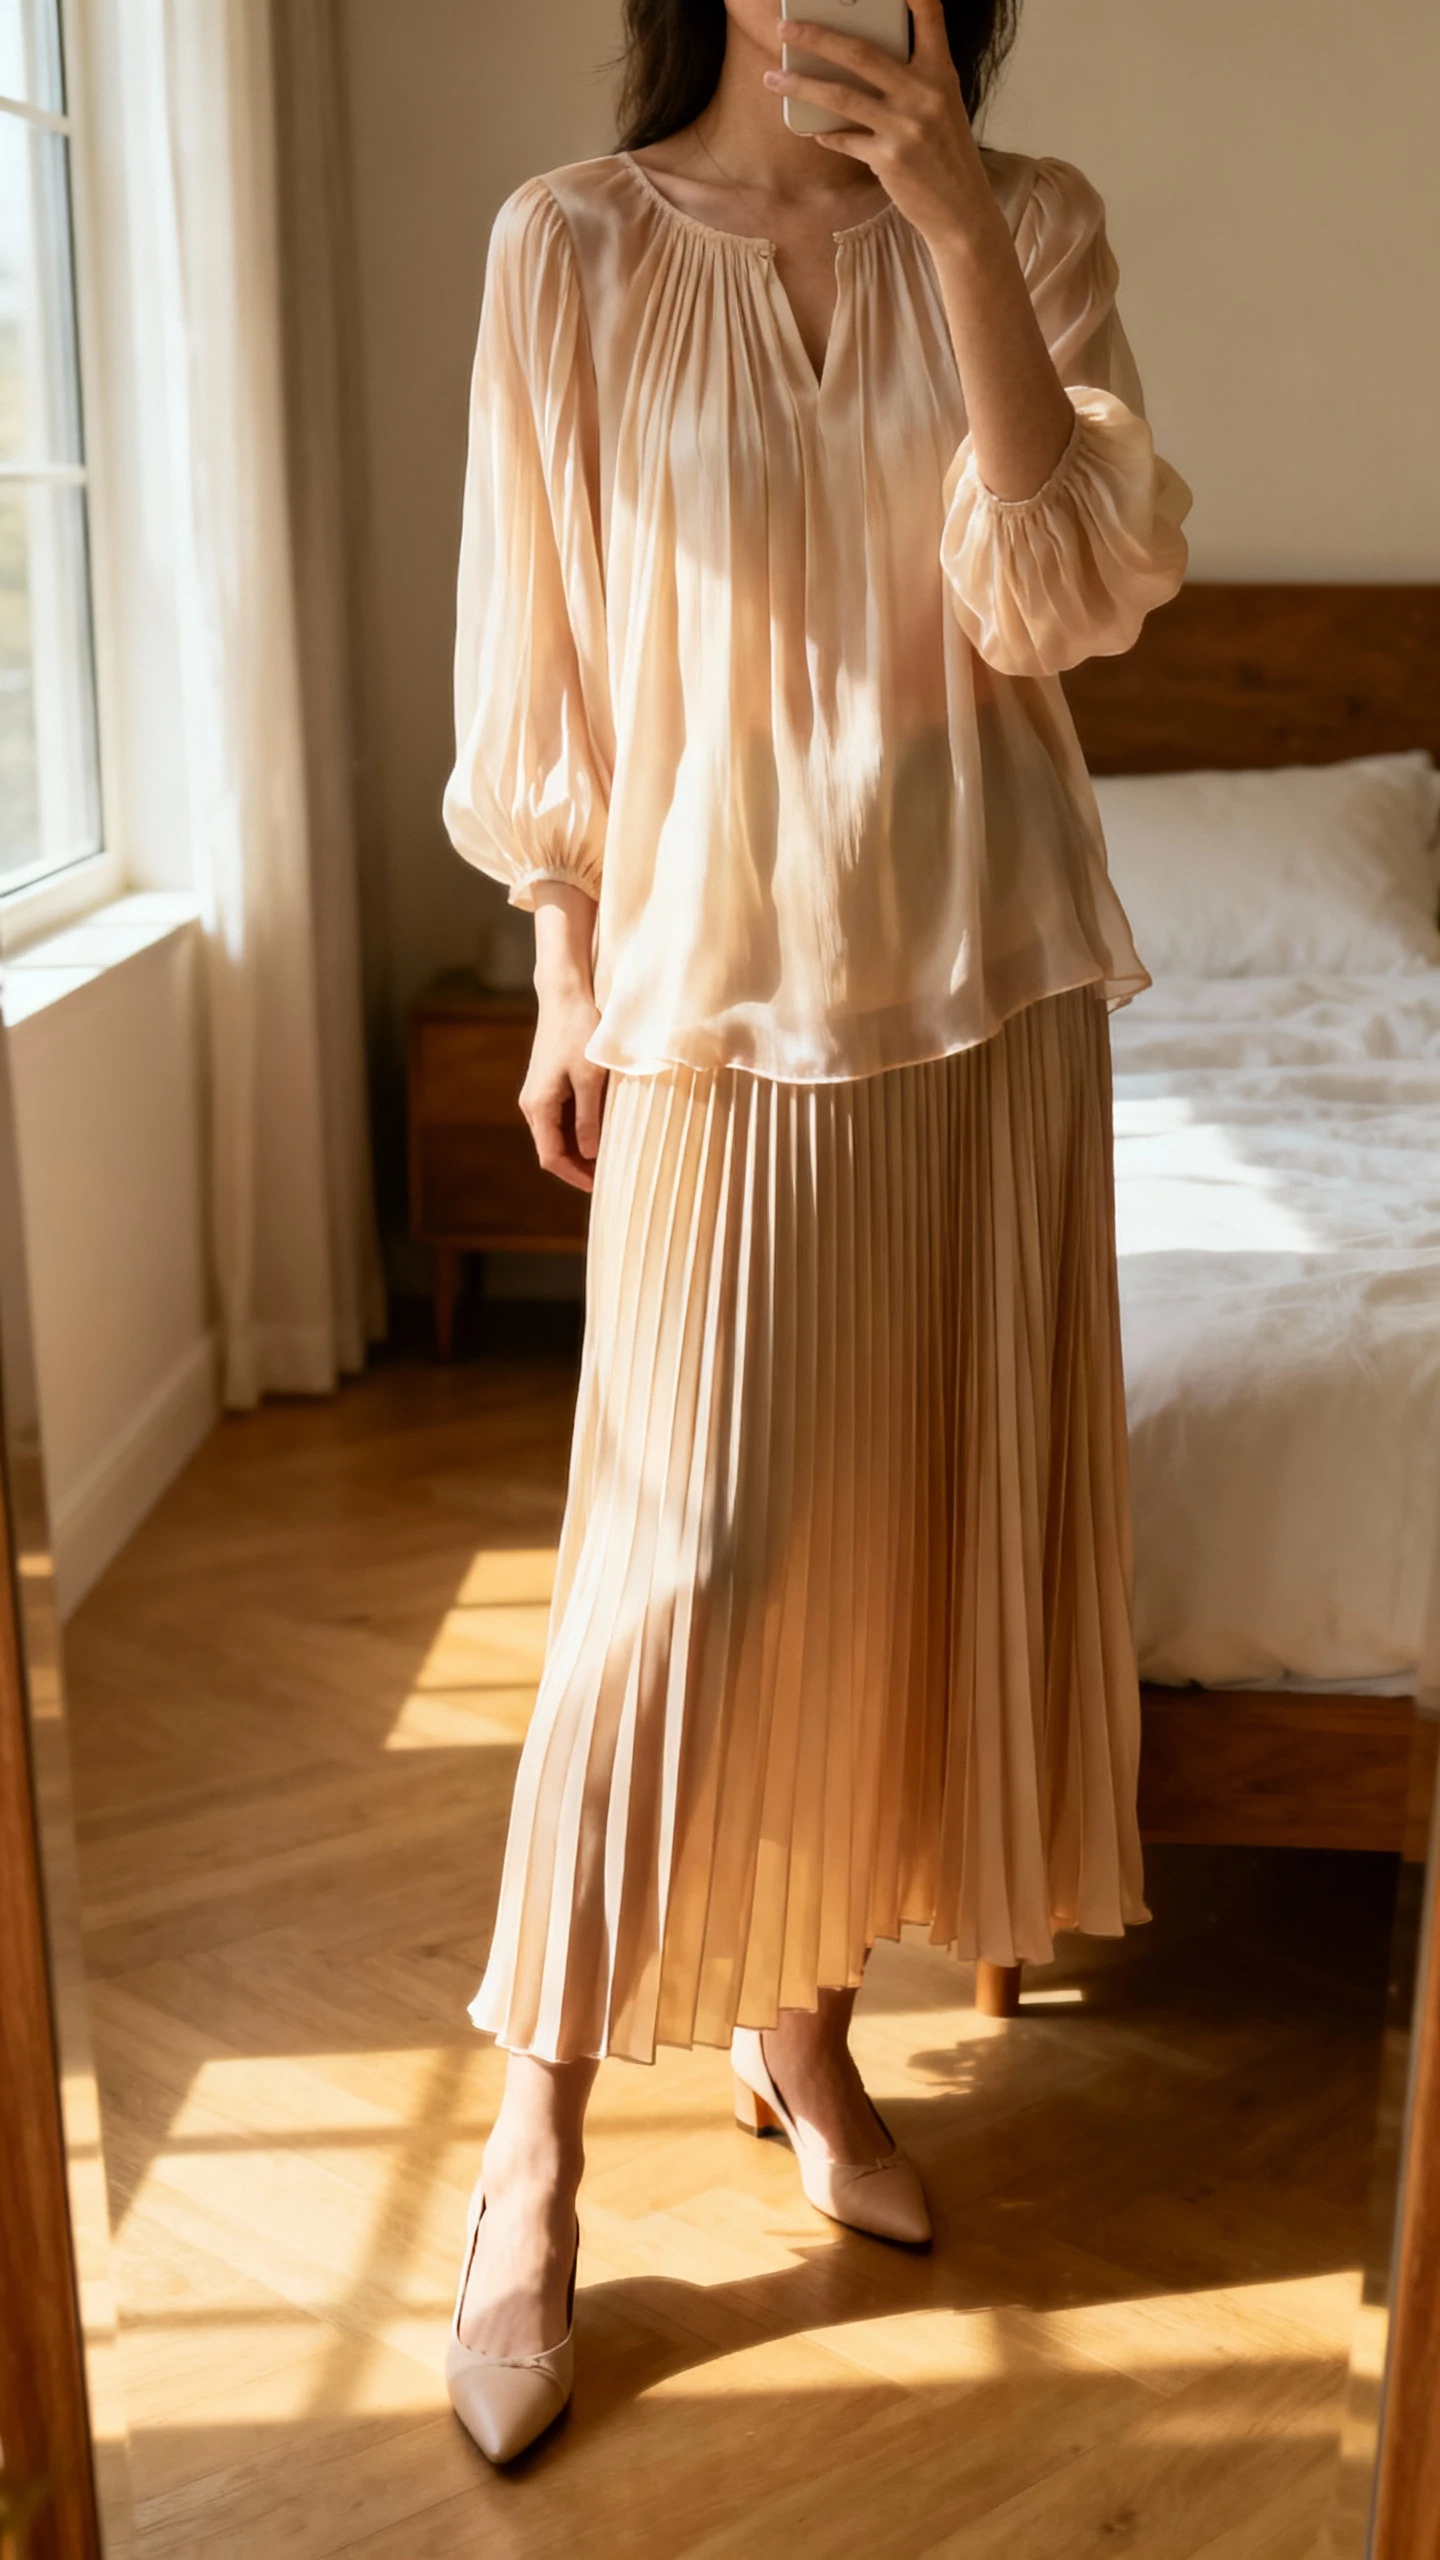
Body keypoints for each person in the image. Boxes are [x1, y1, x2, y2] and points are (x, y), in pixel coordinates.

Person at [440, 0, 1189, 2465]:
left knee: (894, 1545)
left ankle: (801, 2018)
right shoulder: (566, 246)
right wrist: (557, 959)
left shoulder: (1041, 222)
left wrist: (962, 222)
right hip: (711, 1005)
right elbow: (542, 653)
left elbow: (1059, 595)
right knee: (682, 1575)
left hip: (990, 1000)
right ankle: (529, 2154)